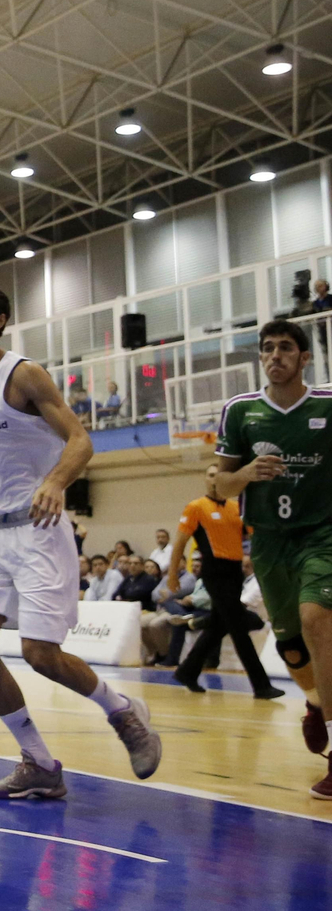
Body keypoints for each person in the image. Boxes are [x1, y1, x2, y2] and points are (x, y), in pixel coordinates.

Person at [0, 281, 160, 801]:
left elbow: (82, 440)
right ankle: (38, 762)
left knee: (40, 654)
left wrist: (55, 482)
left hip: (36, 529)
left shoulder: (24, 375)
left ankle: (122, 711)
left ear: (1, 320)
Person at [212, 319, 332, 798]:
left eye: (285, 348)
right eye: (267, 348)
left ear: (304, 358)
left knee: (317, 619)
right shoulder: (241, 412)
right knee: (292, 647)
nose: (275, 355)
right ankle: (315, 702)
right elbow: (218, 486)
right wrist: (245, 473)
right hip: (268, 542)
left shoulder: (327, 404)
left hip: (322, 535)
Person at [167, 464, 281, 698]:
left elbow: (254, 535)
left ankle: (187, 671)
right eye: (209, 475)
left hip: (234, 571)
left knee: (219, 626)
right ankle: (261, 685)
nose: (213, 478)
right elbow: (180, 542)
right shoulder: (196, 507)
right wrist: (171, 576)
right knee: (238, 626)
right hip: (214, 571)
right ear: (205, 479)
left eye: (217, 474)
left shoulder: (235, 507)